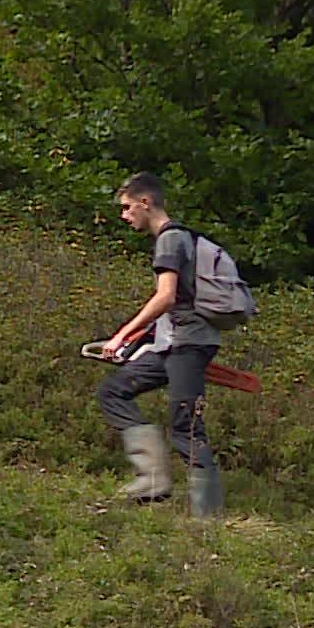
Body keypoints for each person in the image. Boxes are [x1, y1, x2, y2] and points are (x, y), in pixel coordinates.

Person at [93, 172, 224, 515]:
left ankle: (206, 517)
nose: (124, 216)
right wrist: (139, 342)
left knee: (187, 425)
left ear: (145, 202)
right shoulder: (176, 240)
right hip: (170, 344)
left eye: (126, 207)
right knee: (114, 391)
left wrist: (123, 334)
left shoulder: (170, 239)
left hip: (188, 344)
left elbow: (165, 297)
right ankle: (152, 479)